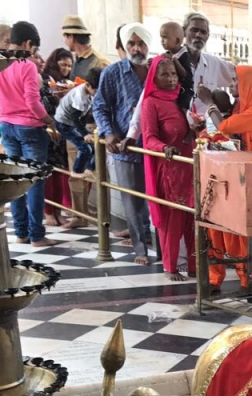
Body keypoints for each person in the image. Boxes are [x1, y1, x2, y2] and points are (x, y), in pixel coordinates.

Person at [204, 65, 252, 293]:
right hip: (225, 176)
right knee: (215, 227)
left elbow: (225, 128)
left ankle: (248, 280)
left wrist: (209, 105)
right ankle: (214, 280)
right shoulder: (238, 108)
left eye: (236, 80)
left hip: (247, 179)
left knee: (237, 234)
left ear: (249, 84)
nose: (232, 84)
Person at [0, 22, 59, 247]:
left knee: (16, 181)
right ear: (28, 43)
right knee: (34, 182)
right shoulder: (26, 64)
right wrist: (49, 120)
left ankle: (21, 232)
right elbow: (32, 101)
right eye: (34, 47)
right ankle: (37, 235)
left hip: (7, 127)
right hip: (30, 128)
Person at [93, 23, 153, 263]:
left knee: (152, 198)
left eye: (141, 43)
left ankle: (151, 239)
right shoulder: (113, 72)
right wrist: (108, 133)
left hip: (153, 146)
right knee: (131, 199)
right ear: (125, 46)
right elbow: (99, 106)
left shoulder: (158, 70)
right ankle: (140, 250)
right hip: (125, 148)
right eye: (131, 43)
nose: (136, 48)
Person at [141, 57, 195, 281]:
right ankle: (170, 267)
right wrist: (164, 148)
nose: (172, 79)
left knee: (192, 219)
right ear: (154, 77)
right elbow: (149, 137)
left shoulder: (181, 99)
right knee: (172, 218)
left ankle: (193, 265)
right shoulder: (150, 103)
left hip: (190, 167)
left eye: (174, 74)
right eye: (165, 75)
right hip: (170, 169)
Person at [39, 49, 79, 229]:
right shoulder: (45, 80)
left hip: (63, 131)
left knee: (61, 171)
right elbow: (42, 102)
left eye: (69, 65)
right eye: (63, 64)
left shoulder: (68, 83)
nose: (66, 68)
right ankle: (48, 211)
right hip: (49, 130)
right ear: (54, 63)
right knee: (49, 172)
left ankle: (59, 211)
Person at [55, 67, 100, 180]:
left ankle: (89, 168)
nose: (98, 93)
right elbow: (75, 117)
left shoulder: (89, 94)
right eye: (97, 90)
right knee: (85, 148)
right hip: (64, 123)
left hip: (72, 122)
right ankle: (76, 171)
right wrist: (84, 134)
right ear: (88, 85)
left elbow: (83, 115)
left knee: (95, 145)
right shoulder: (80, 96)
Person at [61, 16, 109, 82]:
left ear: (71, 38)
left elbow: (107, 88)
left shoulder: (99, 62)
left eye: (65, 37)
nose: (65, 42)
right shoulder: (77, 59)